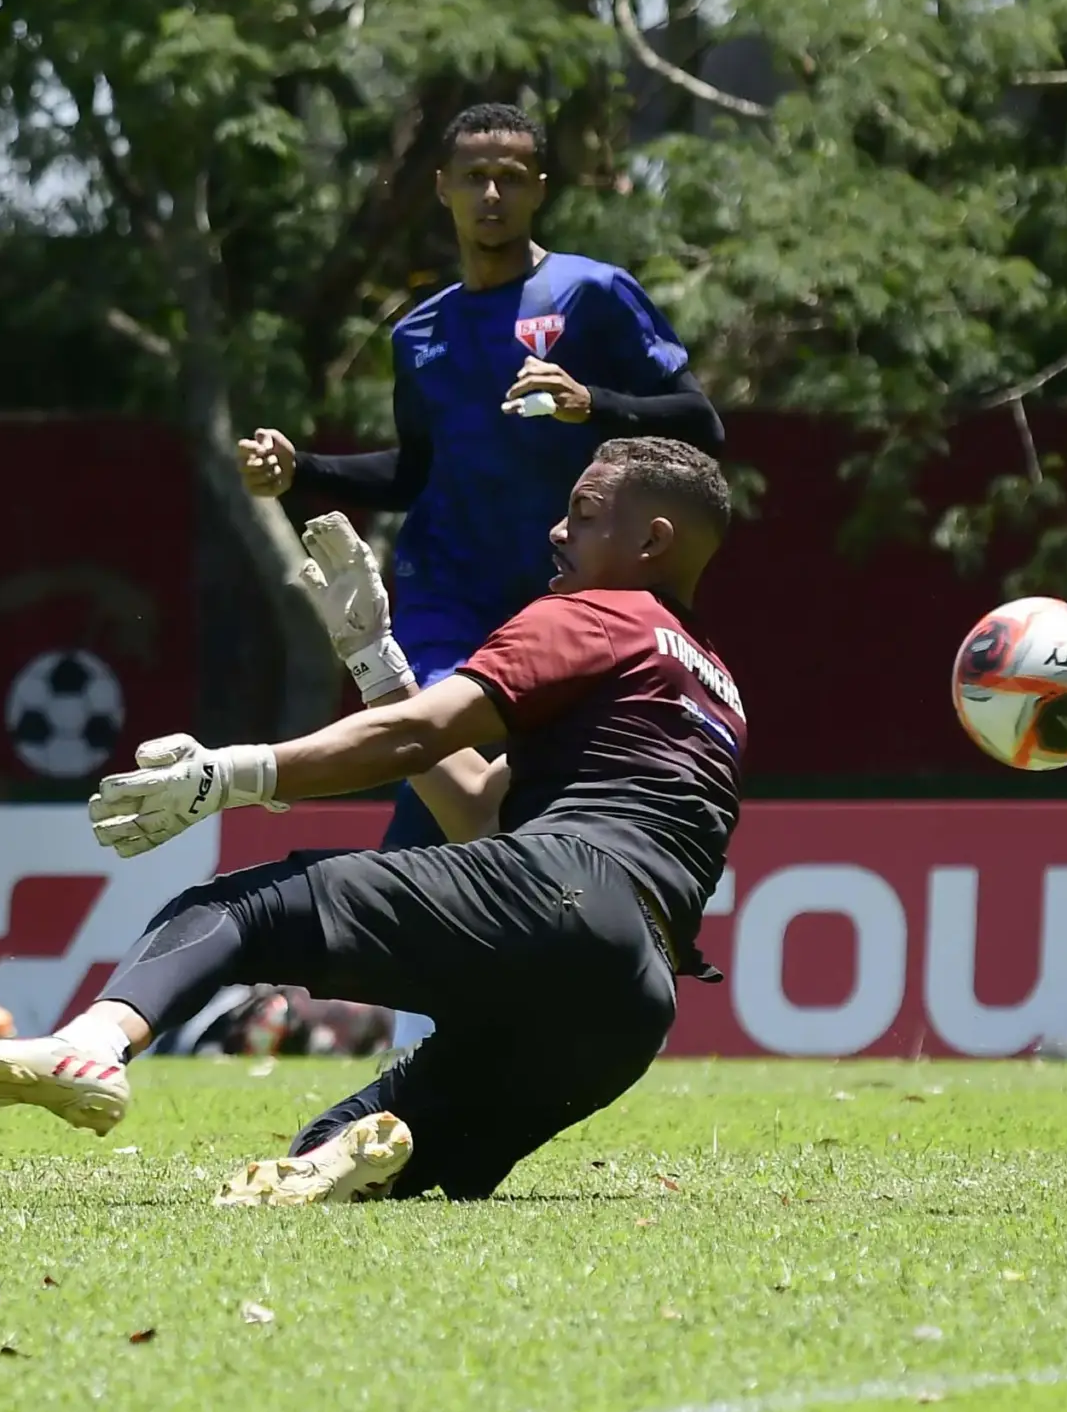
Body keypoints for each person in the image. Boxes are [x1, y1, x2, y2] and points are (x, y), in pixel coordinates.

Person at [0, 437, 743, 1204]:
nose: (559, 530)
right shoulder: (715, 686)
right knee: (349, 1141)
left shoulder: (599, 615)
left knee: (240, 907)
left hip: (564, 888)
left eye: (586, 514)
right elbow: (480, 809)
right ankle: (359, 1153)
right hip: (634, 998)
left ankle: (93, 1044)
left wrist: (234, 774)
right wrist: (376, 659)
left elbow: (423, 735)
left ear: (652, 541)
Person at [239, 103, 723, 855]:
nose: (491, 194)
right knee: (436, 763)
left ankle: (382, 913)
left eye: (510, 177)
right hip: (448, 599)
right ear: (443, 187)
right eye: (474, 178)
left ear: (539, 189)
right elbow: (415, 473)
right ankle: (358, 896)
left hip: (564, 600)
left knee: (501, 804)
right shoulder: (418, 334)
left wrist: (592, 402)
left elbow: (702, 423)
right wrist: (304, 468)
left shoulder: (593, 292)